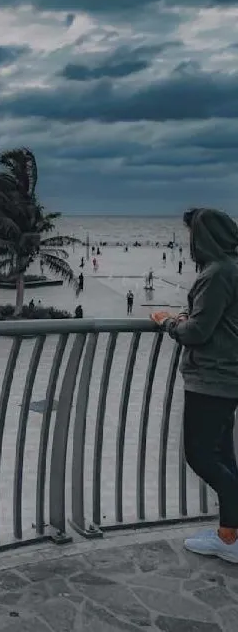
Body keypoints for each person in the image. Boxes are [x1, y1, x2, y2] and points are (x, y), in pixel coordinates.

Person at [150, 208, 238, 564]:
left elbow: (197, 332)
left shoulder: (218, 273)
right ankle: (229, 532)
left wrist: (168, 321)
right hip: (229, 374)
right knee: (222, 454)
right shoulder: (233, 267)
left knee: (201, 455)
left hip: (213, 377)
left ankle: (230, 540)